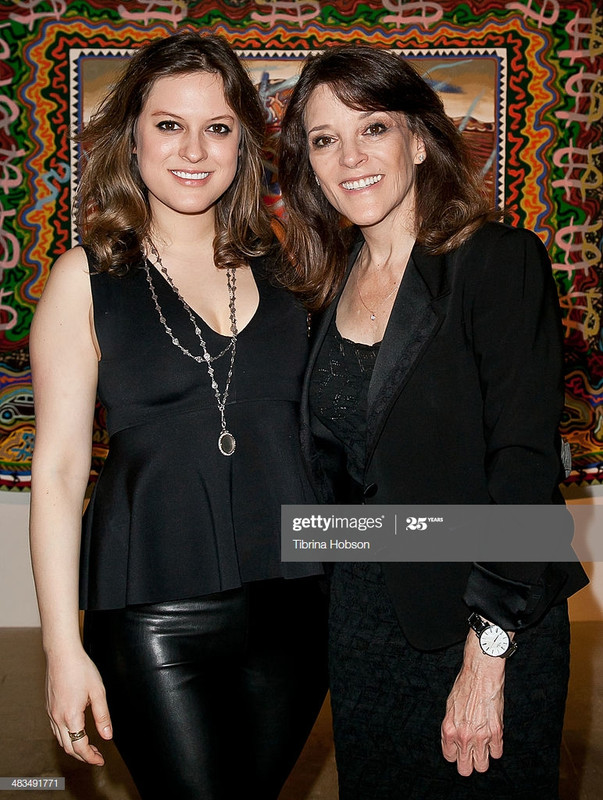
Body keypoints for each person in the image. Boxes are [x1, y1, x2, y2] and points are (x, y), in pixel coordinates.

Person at [277, 45, 588, 800]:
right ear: (308, 164)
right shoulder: (321, 287)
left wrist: (487, 657)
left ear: (417, 139)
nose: (349, 156)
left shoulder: (497, 261)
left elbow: (521, 466)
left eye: (372, 128)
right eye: (323, 139)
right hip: (360, 628)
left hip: (485, 622)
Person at [29, 32, 328, 800]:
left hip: (294, 606)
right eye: (169, 124)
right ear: (132, 136)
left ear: (243, 147)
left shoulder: (294, 271)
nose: (194, 148)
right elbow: (60, 477)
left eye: (218, 127)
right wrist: (63, 653)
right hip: (150, 612)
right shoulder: (84, 279)